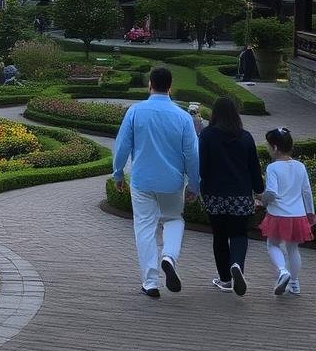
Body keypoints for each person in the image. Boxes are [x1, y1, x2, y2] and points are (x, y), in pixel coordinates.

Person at [112, 66, 201, 298]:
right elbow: (192, 154)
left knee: (144, 227)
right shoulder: (183, 117)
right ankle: (169, 256)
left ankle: (150, 282)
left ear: (149, 84)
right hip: (172, 181)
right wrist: (194, 184)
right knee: (174, 220)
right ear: (171, 87)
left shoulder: (135, 111)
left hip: (142, 179)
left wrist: (118, 173)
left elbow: (122, 146)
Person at [198, 96, 264, 296]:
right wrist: (259, 190)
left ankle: (225, 279)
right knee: (238, 234)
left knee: (219, 236)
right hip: (240, 194)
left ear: (215, 114)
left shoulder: (207, 135)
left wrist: (198, 186)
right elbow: (254, 167)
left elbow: (202, 165)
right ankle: (237, 265)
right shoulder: (245, 137)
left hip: (214, 194)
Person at [259, 127, 315, 296]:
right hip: (297, 215)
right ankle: (295, 283)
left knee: (273, 245)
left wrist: (262, 199)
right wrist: (310, 212)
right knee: (293, 249)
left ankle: (283, 271)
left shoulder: (273, 168)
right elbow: (306, 191)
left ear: (275, 147)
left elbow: (272, 192)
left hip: (278, 213)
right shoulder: (300, 166)